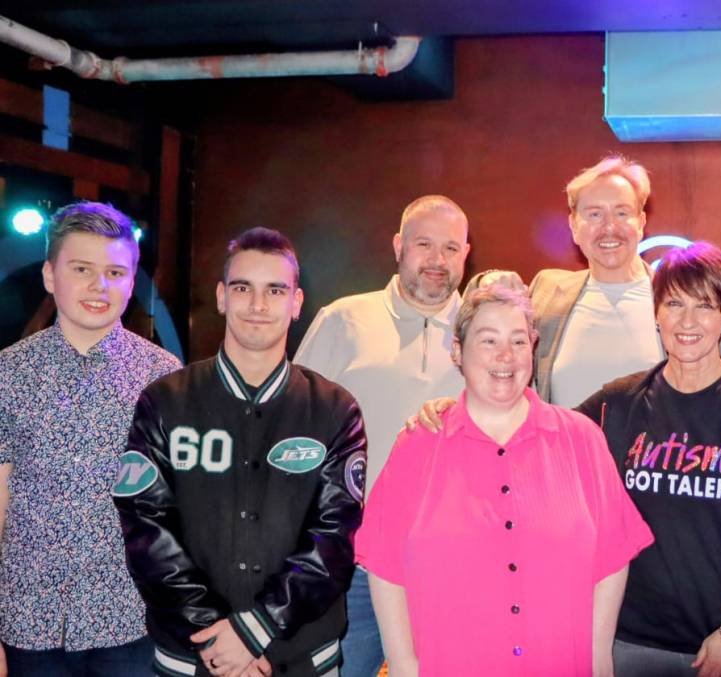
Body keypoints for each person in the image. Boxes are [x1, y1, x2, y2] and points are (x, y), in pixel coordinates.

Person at [356, 285, 653, 676]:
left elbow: (612, 558)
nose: (506, 355)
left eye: (518, 340)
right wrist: (403, 663)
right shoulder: (418, 445)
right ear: (458, 352)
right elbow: (383, 563)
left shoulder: (582, 439)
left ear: (533, 348)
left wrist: (599, 659)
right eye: (488, 340)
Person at [114, 227, 366, 677]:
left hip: (302, 658)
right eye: (243, 288)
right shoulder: (165, 401)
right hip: (193, 656)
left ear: (296, 302)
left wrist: (255, 630)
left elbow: (333, 539)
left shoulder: (335, 409)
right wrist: (216, 637)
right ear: (221, 296)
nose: (258, 304)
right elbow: (146, 532)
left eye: (275, 290)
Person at [575, 242, 721, 676]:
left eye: (705, 306)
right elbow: (541, 433)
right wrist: (457, 408)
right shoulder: (618, 404)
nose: (688, 322)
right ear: (656, 313)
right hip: (636, 644)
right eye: (674, 304)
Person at [0, 202, 180, 676]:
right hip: (28, 619)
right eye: (81, 269)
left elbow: (179, 506)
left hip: (131, 620)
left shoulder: (165, 378)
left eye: (115, 272)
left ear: (132, 282)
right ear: (49, 275)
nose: (100, 285)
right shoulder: (9, 373)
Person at [294, 195, 470, 676]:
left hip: (457, 565)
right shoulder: (344, 320)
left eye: (450, 248)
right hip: (356, 562)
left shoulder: (485, 331)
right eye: (424, 244)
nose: (437, 260)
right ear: (398, 246)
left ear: (466, 253)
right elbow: (294, 431)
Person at [473, 155, 721, 408]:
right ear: (574, 226)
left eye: (621, 212)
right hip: (564, 459)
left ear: (641, 223)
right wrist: (488, 280)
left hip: (657, 460)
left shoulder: (681, 298)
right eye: (594, 214)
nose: (609, 227)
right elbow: (479, 329)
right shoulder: (547, 290)